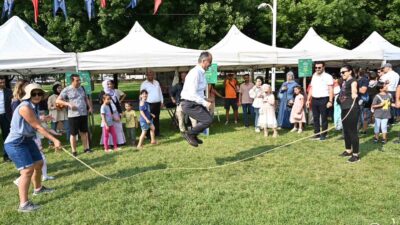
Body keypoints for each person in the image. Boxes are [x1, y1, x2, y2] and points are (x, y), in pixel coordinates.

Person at [5, 83, 61, 212]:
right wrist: (54, 140)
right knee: (27, 171)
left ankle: (38, 189)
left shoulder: (33, 106)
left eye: (39, 93)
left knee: (39, 163)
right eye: (34, 93)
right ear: (29, 95)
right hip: (16, 143)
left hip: (28, 140)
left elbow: (37, 122)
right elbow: (37, 126)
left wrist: (50, 130)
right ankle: (24, 205)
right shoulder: (25, 107)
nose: (37, 96)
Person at [180, 51, 213, 147]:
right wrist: (205, 103)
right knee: (207, 120)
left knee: (208, 119)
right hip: (189, 103)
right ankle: (189, 134)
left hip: (193, 102)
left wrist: (205, 98)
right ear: (204, 61)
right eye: (210, 62)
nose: (210, 65)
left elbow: (198, 92)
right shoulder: (195, 73)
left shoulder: (201, 73)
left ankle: (193, 135)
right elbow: (192, 93)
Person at [56, 74, 93, 156]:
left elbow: (86, 98)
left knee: (84, 132)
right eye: (77, 80)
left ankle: (86, 148)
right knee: (73, 133)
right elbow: (58, 101)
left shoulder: (82, 88)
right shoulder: (67, 90)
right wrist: (68, 104)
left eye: (79, 80)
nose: (79, 82)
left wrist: (90, 107)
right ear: (72, 81)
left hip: (83, 113)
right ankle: (74, 151)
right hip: (73, 115)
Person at [306, 61, 334, 141]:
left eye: (319, 67)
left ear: (323, 67)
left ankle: (324, 134)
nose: (317, 69)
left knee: (324, 118)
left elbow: (330, 89)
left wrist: (330, 101)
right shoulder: (314, 75)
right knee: (315, 118)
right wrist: (308, 99)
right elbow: (311, 88)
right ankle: (317, 134)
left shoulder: (328, 76)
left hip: (324, 99)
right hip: (314, 99)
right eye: (316, 67)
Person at [337, 65, 360, 163]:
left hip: (351, 109)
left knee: (352, 132)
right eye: (341, 72)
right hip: (344, 108)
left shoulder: (353, 81)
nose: (342, 74)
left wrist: (354, 94)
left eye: (344, 72)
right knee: (346, 131)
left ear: (350, 72)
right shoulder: (344, 82)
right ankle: (348, 150)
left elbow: (354, 89)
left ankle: (356, 155)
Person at [99, 80, 126, 146]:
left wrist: (120, 112)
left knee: (118, 127)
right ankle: (109, 143)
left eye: (110, 84)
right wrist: (111, 115)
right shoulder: (102, 93)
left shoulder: (114, 92)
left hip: (115, 112)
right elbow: (103, 104)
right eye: (107, 84)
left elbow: (117, 103)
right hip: (108, 113)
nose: (109, 86)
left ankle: (119, 142)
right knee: (108, 128)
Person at [140, 69, 164, 136]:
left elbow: (160, 92)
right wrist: (142, 103)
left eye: (152, 74)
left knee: (156, 118)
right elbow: (141, 94)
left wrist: (162, 101)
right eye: (149, 74)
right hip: (149, 104)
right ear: (146, 75)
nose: (151, 75)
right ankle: (148, 134)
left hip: (157, 103)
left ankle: (157, 133)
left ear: (154, 75)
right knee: (149, 119)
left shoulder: (157, 82)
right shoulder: (144, 84)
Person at [0, 76, 13, 162]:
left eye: (4, 82)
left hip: (5, 116)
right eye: (1, 82)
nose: (2, 84)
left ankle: (6, 156)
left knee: (7, 135)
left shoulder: (9, 91)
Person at [357, 69, 369, 134]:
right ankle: (362, 130)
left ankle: (362, 130)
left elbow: (363, 91)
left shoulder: (364, 80)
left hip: (362, 99)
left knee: (361, 116)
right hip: (358, 99)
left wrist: (353, 87)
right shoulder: (358, 79)